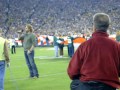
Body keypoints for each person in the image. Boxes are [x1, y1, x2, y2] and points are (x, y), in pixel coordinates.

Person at [67, 13, 120, 90]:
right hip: (108, 87)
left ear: (94, 27)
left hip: (86, 86)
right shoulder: (116, 46)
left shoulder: (84, 45)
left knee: (74, 84)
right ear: (108, 27)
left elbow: (72, 72)